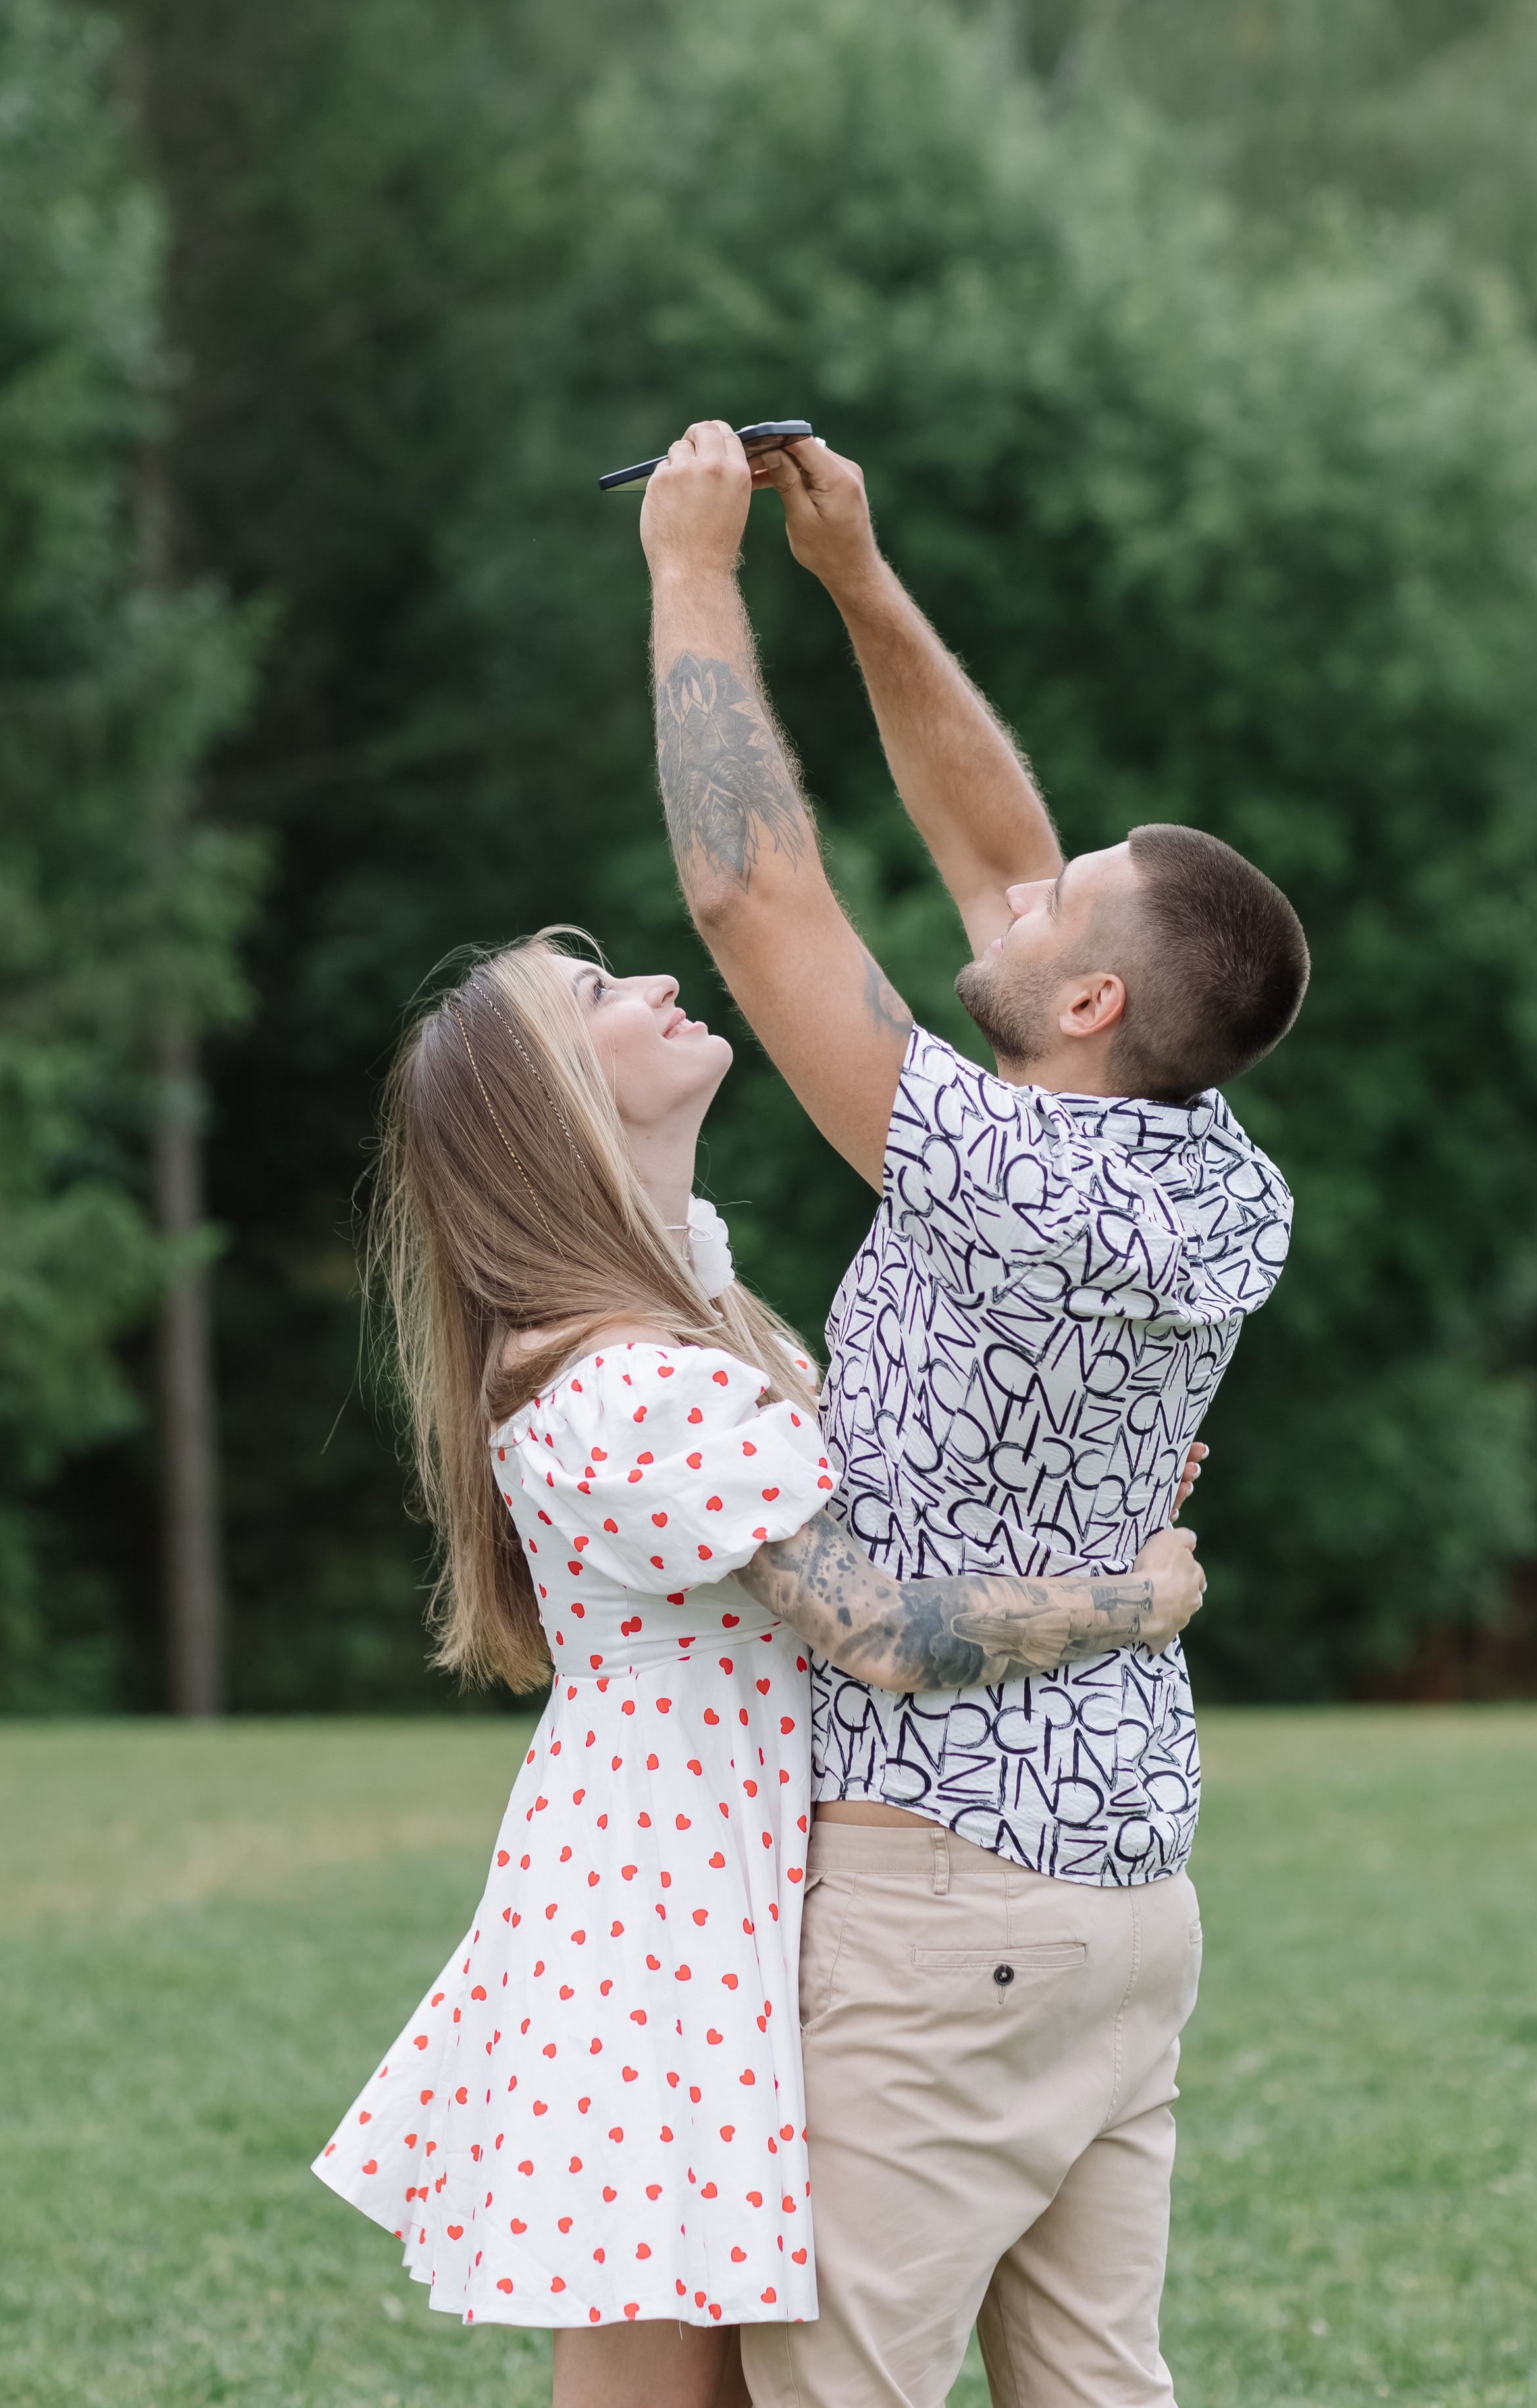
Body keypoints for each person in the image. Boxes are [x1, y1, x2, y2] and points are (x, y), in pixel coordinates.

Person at [638, 422, 1310, 2408]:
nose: (1018, 897)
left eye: (1061, 913)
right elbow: (1012, 859)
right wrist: (859, 579)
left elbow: (760, 903)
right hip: (1130, 1901)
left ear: (1094, 1010)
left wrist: (695, 580)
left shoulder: (1008, 1177)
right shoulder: (1220, 1177)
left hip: (949, 1902)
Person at [310, 933, 1206, 2408]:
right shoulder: (623, 1380)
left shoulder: (696, 1312)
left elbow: (900, 1500)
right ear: (550, 1108)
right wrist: (1130, 1596)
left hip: (724, 1871)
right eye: (595, 997)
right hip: (657, 1909)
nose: (654, 981)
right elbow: (876, 1628)